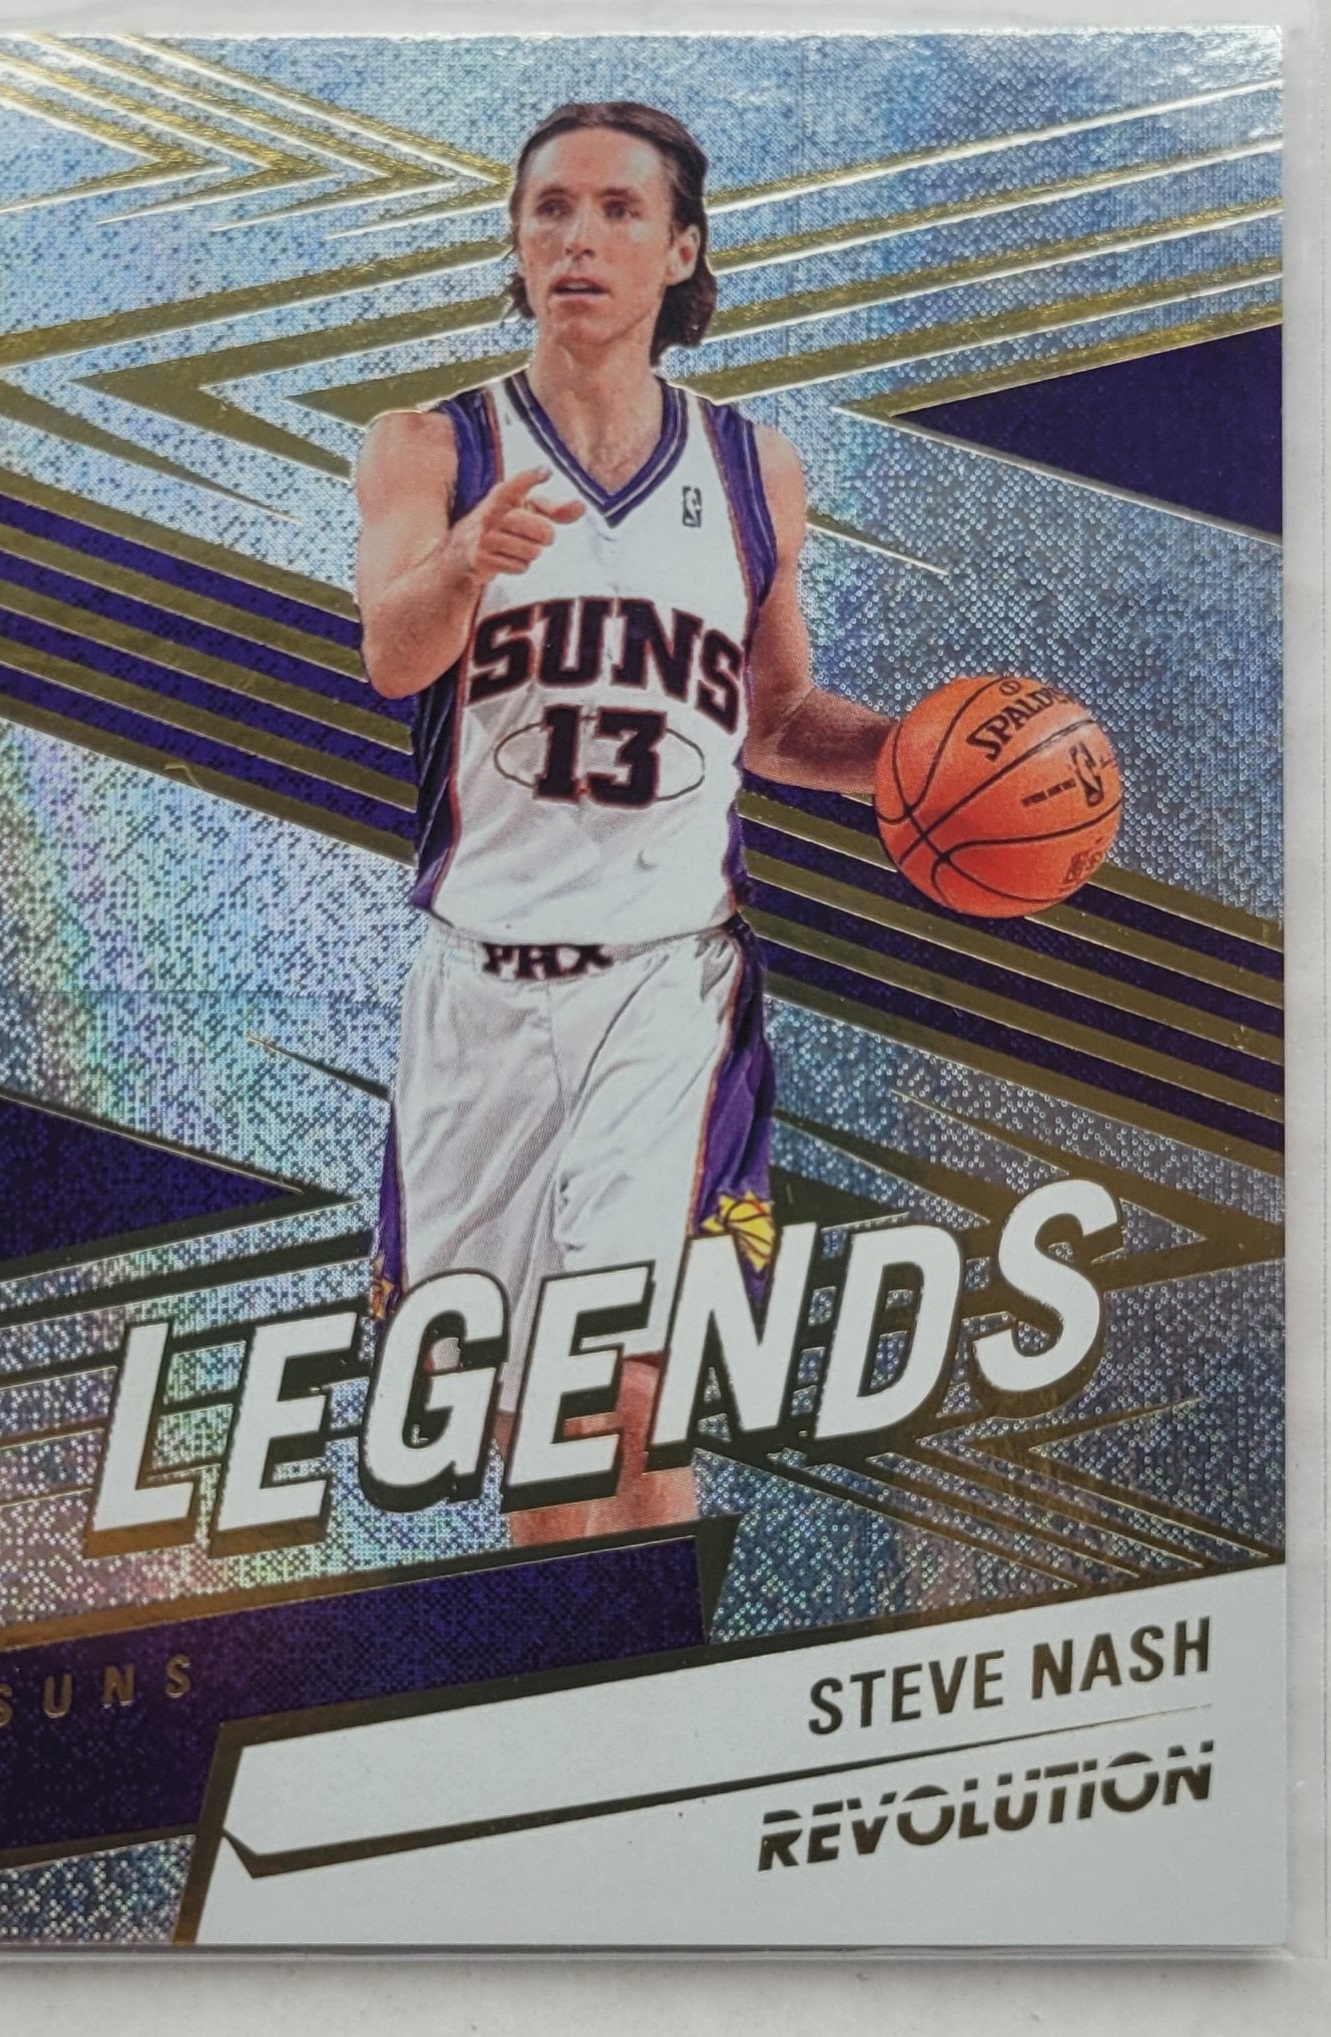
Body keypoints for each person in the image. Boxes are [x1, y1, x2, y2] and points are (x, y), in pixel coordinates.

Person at [355, 101, 893, 1546]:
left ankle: (635, 1676)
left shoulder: (752, 470)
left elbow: (776, 721)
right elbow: (395, 654)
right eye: (550, 209)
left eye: (617, 210)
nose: (578, 238)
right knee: (522, 1425)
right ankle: (594, 1673)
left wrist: (915, 757)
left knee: (625, 1389)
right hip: (477, 993)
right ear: (516, 243)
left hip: (666, 987)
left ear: (682, 249)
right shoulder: (430, 446)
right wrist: (463, 561)